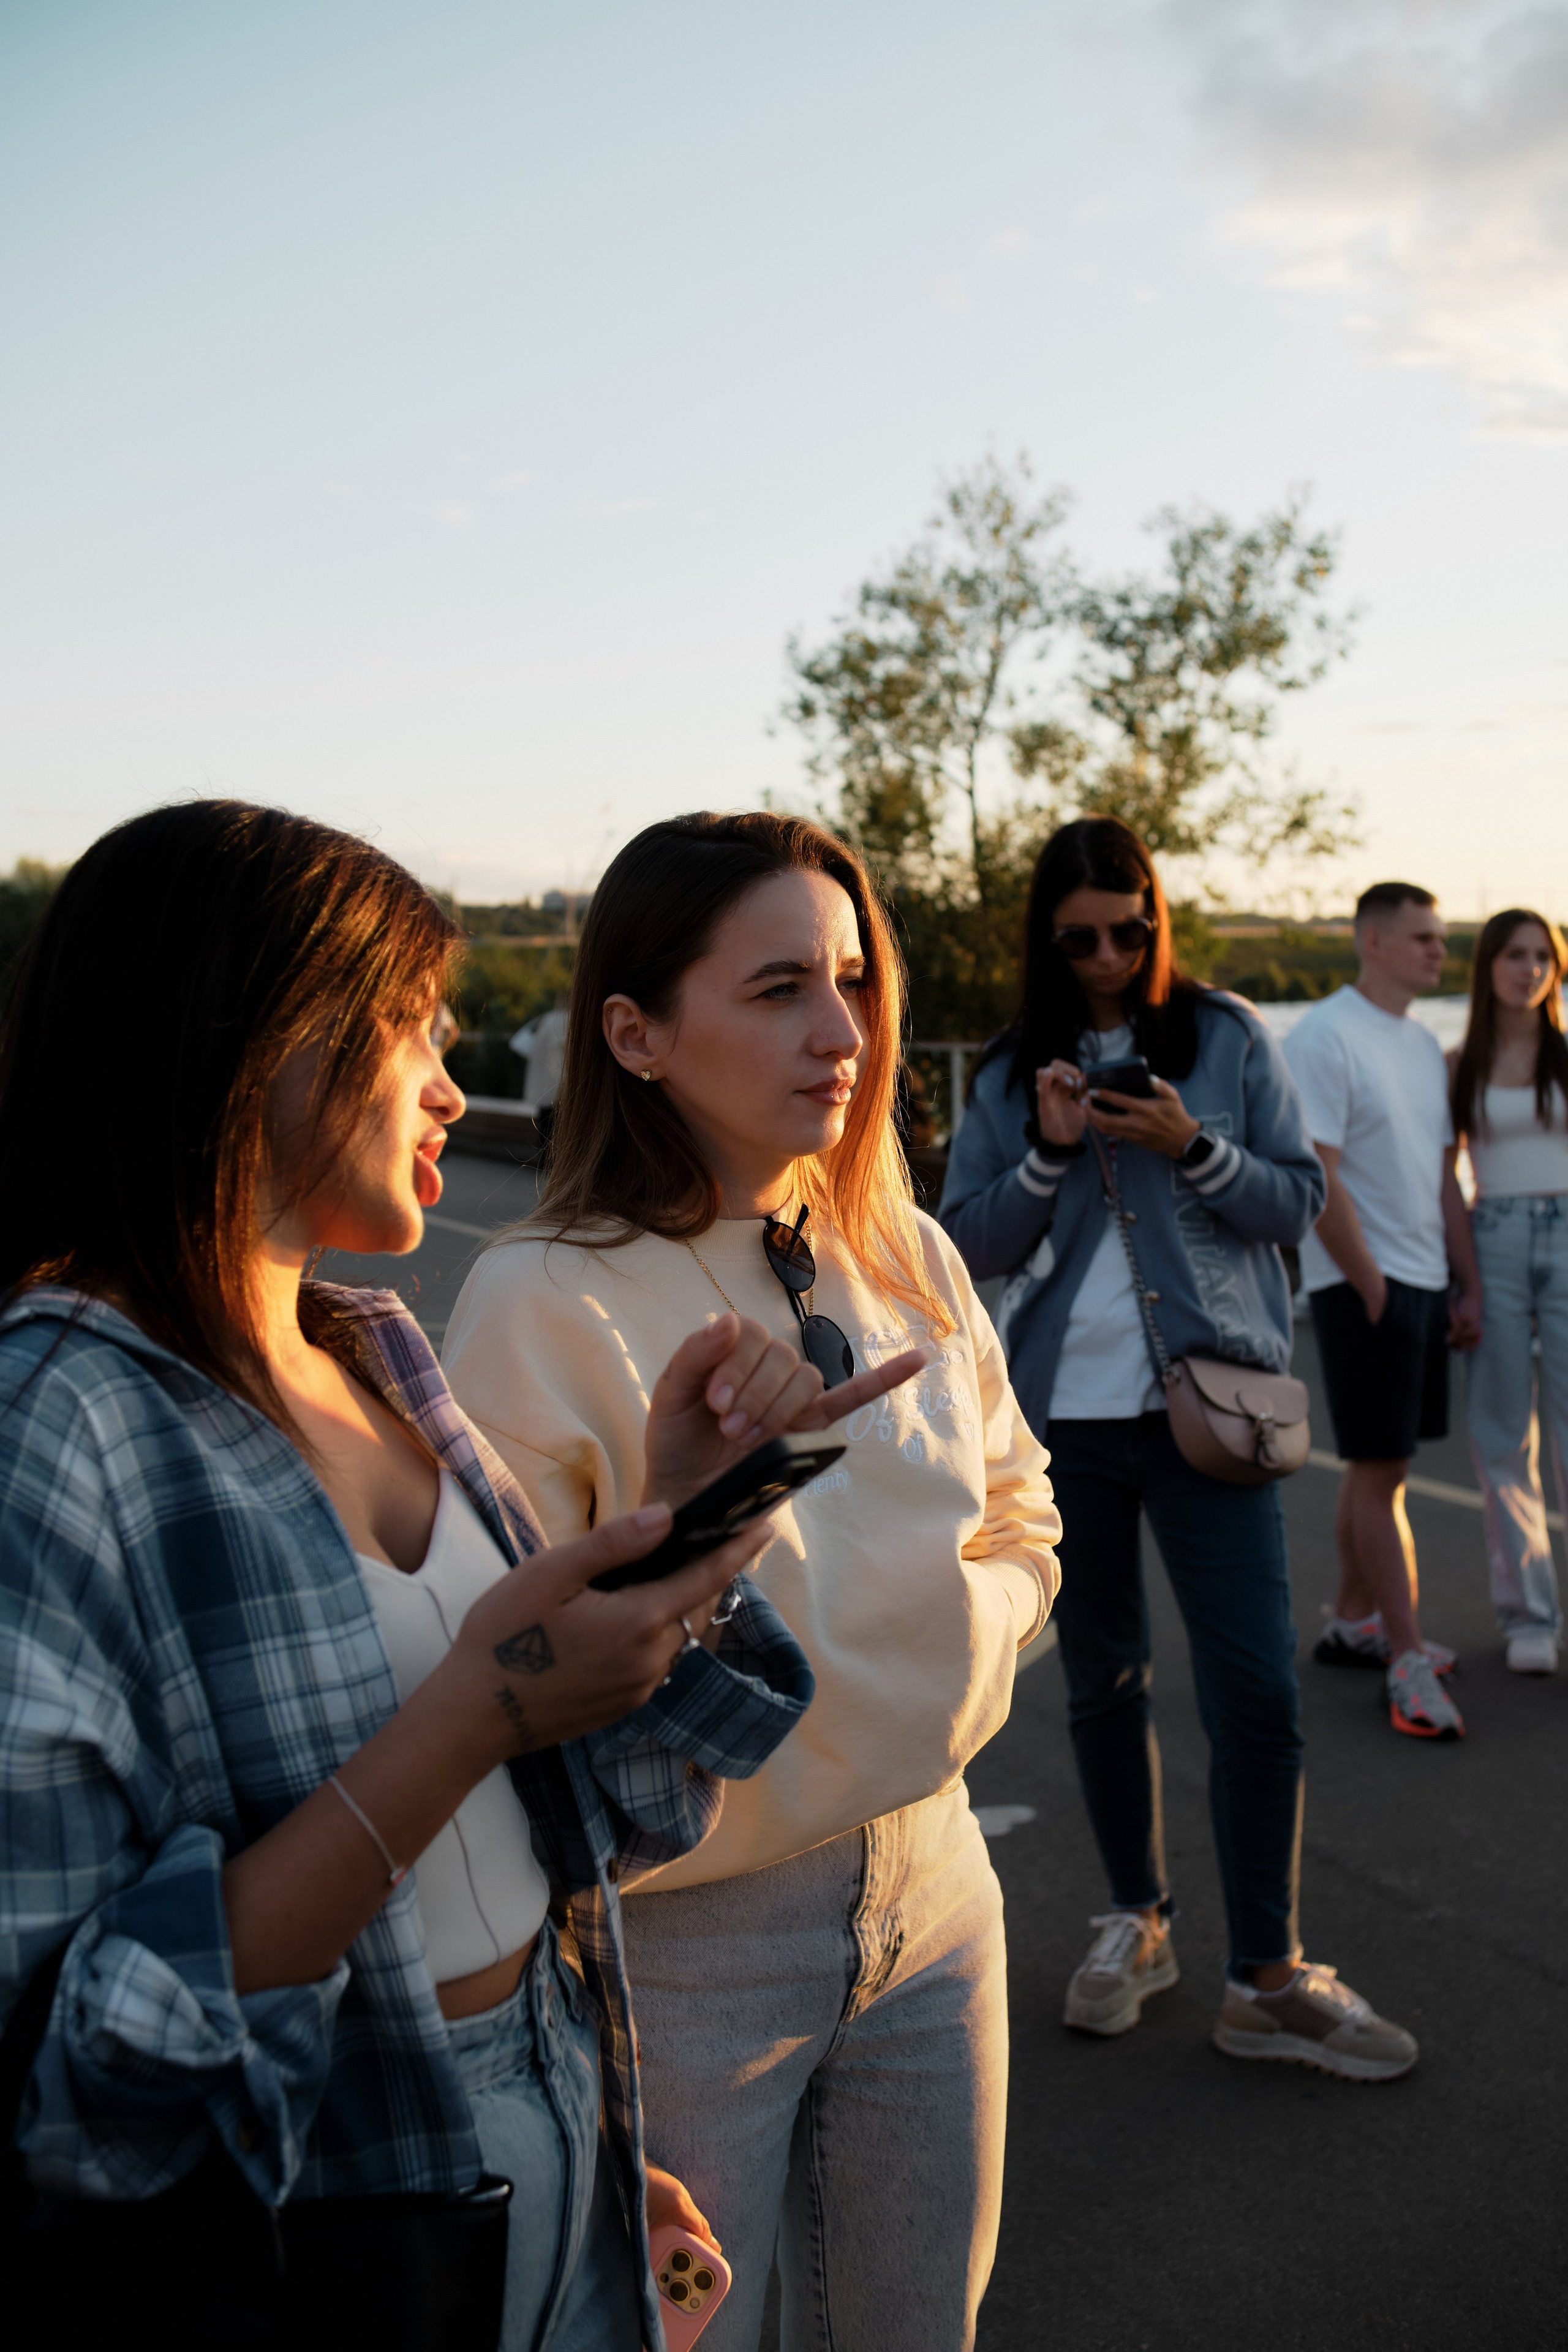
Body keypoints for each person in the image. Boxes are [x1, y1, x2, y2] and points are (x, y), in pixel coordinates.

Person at [0, 800, 924, 2352]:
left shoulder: (375, 1351)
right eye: (406, 1030)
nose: (451, 1082)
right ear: (245, 1044)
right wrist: (475, 1711)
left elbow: (574, 1814)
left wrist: (676, 1523)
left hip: (540, 2124)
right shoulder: (59, 1420)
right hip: (323, 2208)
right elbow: (74, 2075)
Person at [442, 810, 1060, 2352]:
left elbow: (1023, 1514)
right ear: (635, 1032)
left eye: (850, 977)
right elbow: (509, 1679)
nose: (843, 1031)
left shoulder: (902, 1246)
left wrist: (955, 1665)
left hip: (937, 1894)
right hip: (680, 1946)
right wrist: (709, 1521)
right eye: (779, 985)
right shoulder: (540, 1296)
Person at [941, 815, 1417, 2083]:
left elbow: (1295, 1202)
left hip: (1209, 1415)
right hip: (1066, 1429)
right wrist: (1048, 1154)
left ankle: (1263, 1972)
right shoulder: (1003, 1072)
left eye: (1131, 928)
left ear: (1157, 918)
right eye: (1082, 937)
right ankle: (1133, 1921)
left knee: (1254, 1690)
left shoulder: (1219, 1037)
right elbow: (964, 1241)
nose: (1109, 954)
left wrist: (1184, 1147)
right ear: (1048, 939)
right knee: (1101, 1679)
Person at [1283, 882, 1483, 1740]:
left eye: (1441, 939)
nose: (1440, 951)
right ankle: (1404, 1655)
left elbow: (1441, 1175)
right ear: (1372, 940)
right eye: (1424, 938)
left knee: (1383, 1465)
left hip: (1423, 1278)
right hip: (1364, 1284)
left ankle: (1355, 1624)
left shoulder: (1417, 1042)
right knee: (1377, 1468)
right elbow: (1317, 1169)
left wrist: (1461, 1280)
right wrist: (1367, 1280)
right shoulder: (1325, 1035)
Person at [1449, 910, 1568, 1673]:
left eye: (1543, 957)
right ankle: (1528, 1615)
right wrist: (1464, 1280)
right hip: (1490, 1235)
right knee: (1501, 1436)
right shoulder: (1458, 1063)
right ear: (1488, 964)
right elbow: (1439, 1178)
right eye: (1514, 955)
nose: (1528, 969)